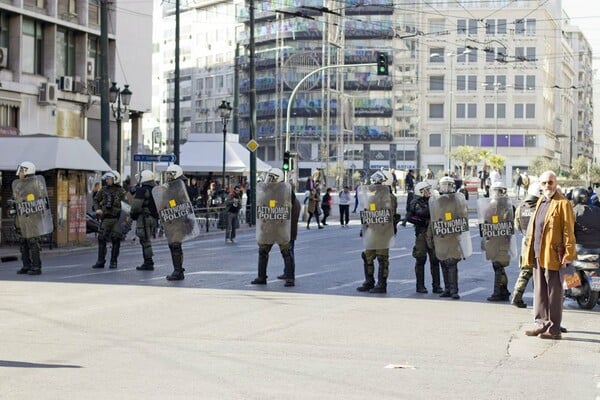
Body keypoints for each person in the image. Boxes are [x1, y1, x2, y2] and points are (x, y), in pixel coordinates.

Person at [522, 170, 576, 340]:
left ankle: (554, 329)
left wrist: (569, 252)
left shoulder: (563, 203)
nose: (547, 186)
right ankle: (541, 323)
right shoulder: (541, 201)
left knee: (554, 292)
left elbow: (569, 230)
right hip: (539, 253)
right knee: (540, 291)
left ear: (556, 183)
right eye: (544, 183)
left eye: (550, 182)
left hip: (554, 254)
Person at [427, 176, 472, 299]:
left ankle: (454, 290)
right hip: (440, 237)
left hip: (452, 237)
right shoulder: (435, 200)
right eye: (443, 185)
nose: (445, 188)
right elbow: (433, 220)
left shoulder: (457, 201)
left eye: (448, 185)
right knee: (443, 262)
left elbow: (463, 218)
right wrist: (429, 237)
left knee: (451, 263)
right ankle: (447, 288)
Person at [153, 164, 199, 281]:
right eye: (168, 174)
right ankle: (178, 269)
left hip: (180, 221)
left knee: (175, 245)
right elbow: (164, 203)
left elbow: (184, 203)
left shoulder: (181, 188)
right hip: (171, 221)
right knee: (173, 245)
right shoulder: (168, 188)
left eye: (171, 174)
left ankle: (178, 271)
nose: (168, 176)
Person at [356, 170, 399, 294]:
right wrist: (364, 227)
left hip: (383, 231)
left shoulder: (390, 197)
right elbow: (368, 212)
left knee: (382, 257)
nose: (375, 182)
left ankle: (382, 284)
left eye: (379, 180)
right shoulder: (373, 196)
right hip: (372, 230)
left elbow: (389, 214)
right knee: (367, 256)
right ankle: (369, 281)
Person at [251, 168, 295, 287]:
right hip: (269, 225)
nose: (269, 180)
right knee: (262, 251)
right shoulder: (266, 190)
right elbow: (262, 204)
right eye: (269, 177)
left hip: (281, 225)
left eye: (272, 178)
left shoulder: (286, 190)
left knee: (286, 252)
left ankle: (290, 278)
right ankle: (261, 277)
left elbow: (290, 206)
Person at [12, 161, 53, 275]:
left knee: (33, 242)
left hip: (32, 218)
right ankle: (26, 265)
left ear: (27, 171)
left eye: (21, 170)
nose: (19, 173)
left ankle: (36, 267)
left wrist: (22, 200)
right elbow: (16, 197)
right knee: (23, 242)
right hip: (21, 218)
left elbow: (38, 199)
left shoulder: (34, 184)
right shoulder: (19, 184)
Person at [479, 181, 516, 302]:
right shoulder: (490, 206)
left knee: (498, 265)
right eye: (494, 191)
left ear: (503, 192)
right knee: (497, 267)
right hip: (492, 240)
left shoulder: (508, 206)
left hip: (503, 240)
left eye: (498, 191)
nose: (496, 194)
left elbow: (509, 221)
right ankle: (504, 291)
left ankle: (497, 293)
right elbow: (485, 222)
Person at [406, 181, 442, 294]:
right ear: (421, 191)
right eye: (426, 190)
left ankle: (437, 286)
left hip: (433, 233)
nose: (429, 192)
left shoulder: (432, 200)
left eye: (429, 190)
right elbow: (419, 213)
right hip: (422, 233)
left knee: (435, 260)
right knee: (420, 259)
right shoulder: (416, 202)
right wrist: (433, 206)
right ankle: (420, 285)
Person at [511, 183, 542, 308]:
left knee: (525, 270)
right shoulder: (541, 207)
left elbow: (517, 224)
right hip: (539, 243)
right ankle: (539, 299)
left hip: (526, 242)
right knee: (540, 272)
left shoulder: (521, 207)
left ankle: (517, 296)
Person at [92, 171, 128, 269]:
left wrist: (124, 220)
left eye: (109, 178)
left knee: (116, 240)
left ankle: (113, 262)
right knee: (101, 238)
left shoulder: (121, 191)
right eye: (107, 178)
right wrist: (97, 209)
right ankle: (100, 261)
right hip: (106, 218)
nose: (107, 180)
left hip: (117, 219)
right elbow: (96, 200)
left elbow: (127, 206)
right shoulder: (103, 190)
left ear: (115, 179)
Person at [131, 170, 159, 271]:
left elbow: (136, 207)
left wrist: (133, 215)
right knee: (146, 239)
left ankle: (148, 262)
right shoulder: (156, 190)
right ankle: (148, 261)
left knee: (145, 240)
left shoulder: (142, 190)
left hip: (143, 218)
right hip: (153, 218)